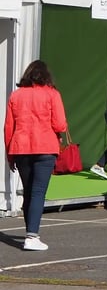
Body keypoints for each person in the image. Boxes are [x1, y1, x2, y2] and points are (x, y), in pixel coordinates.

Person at [4, 60, 68, 251]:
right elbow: (60, 124)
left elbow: (8, 127)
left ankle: (30, 232)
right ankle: (32, 236)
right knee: (39, 192)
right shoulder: (52, 94)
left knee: (29, 192)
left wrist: (9, 154)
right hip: (45, 147)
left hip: (21, 148)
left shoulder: (16, 95)